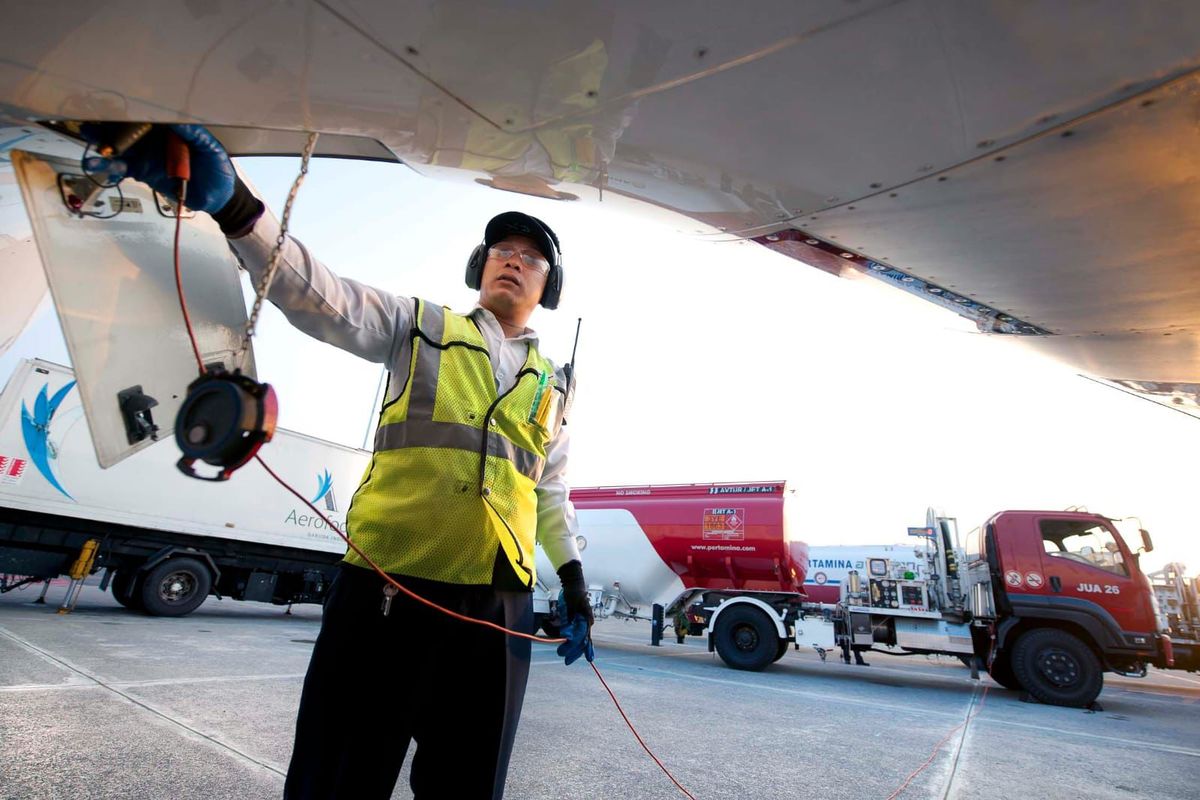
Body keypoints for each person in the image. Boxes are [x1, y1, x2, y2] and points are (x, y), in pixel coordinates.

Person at [108, 124, 594, 800]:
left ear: (551, 284)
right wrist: (239, 211)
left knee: (469, 785)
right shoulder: (419, 326)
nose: (512, 260)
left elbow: (550, 492)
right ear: (480, 267)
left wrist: (571, 582)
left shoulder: (557, 386)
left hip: (496, 606)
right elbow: (321, 296)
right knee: (337, 778)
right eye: (501, 250)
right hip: (387, 587)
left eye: (531, 256)